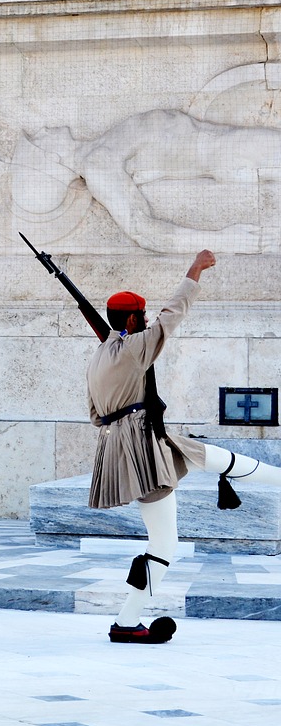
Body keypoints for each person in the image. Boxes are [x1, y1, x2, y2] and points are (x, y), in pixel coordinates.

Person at [89, 250, 281, 643]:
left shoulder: (100, 356)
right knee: (163, 544)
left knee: (206, 456)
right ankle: (127, 621)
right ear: (130, 320)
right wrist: (194, 270)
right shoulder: (131, 348)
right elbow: (171, 316)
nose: (145, 323)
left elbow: (96, 414)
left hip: (139, 439)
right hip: (142, 448)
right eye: (140, 318)